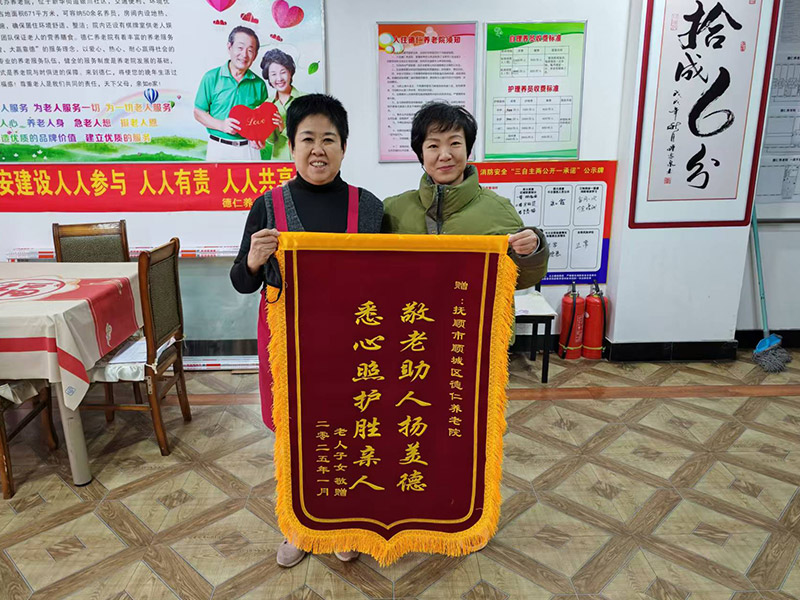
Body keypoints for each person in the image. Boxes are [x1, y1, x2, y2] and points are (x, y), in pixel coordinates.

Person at [230, 94, 383, 568]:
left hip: (352, 344)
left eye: (329, 139)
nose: (318, 150)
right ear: (291, 146)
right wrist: (253, 261)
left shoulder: (369, 208)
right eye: (308, 139)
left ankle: (344, 524)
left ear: (344, 147)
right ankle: (297, 526)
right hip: (287, 345)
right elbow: (241, 281)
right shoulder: (267, 205)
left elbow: (390, 281)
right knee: (293, 436)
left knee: (350, 432)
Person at [383, 102, 549, 294]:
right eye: (433, 146)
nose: (445, 155)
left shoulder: (500, 210)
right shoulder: (393, 210)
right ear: (421, 153)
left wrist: (530, 252)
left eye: (455, 143)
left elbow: (522, 279)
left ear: (468, 149)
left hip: (471, 313)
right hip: (414, 312)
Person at [194, 26, 267, 161]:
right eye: (240, 48)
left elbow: (263, 119)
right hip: (218, 147)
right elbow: (198, 112)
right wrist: (221, 125)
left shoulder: (259, 84)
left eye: (250, 50)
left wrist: (260, 138)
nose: (244, 54)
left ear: (255, 55)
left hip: (249, 150)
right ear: (229, 47)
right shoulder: (211, 77)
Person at [260, 48, 304, 160]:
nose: (279, 78)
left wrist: (283, 128)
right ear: (268, 78)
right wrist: (265, 127)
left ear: (290, 72)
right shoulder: (267, 104)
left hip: (302, 161)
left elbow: (310, 136)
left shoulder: (306, 101)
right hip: (278, 162)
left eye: (283, 72)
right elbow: (271, 140)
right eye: (273, 74)